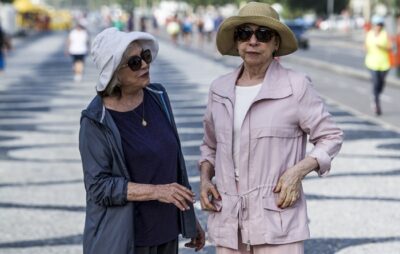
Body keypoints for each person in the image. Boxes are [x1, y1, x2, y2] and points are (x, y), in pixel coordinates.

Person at [199, 3, 343, 254]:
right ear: (237, 42)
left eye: (263, 35)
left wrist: (297, 172)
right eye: (245, 33)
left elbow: (330, 137)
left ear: (276, 43)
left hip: (277, 221)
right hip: (228, 222)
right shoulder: (219, 89)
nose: (253, 41)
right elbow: (209, 145)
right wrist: (204, 180)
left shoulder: (295, 86)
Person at [79, 27, 205, 254]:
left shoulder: (159, 97)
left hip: (166, 232)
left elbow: (174, 164)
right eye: (135, 62)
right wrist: (156, 192)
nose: (146, 65)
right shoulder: (95, 120)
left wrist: (190, 218)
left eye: (145, 57)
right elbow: (98, 187)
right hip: (125, 239)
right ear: (115, 73)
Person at [364, 15, 391, 116]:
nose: (378, 27)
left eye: (380, 25)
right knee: (375, 83)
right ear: (374, 25)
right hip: (372, 63)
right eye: (376, 25)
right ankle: (376, 105)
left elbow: (390, 48)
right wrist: (366, 48)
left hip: (384, 64)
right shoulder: (369, 34)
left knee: (381, 84)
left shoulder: (385, 34)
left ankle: (376, 96)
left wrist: (383, 47)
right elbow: (365, 46)